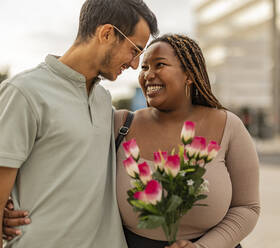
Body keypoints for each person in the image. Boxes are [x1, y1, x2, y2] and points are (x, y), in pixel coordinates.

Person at [4, 34, 260, 248]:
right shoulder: (118, 124)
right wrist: (8, 202)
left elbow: (247, 207)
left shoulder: (229, 126)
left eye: (159, 65)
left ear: (189, 75)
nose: (148, 74)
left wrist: (204, 247)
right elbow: (58, 154)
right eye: (145, 67)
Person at [0, 0, 158, 247]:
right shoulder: (23, 93)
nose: (135, 64)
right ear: (107, 33)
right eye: (134, 50)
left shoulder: (104, 101)